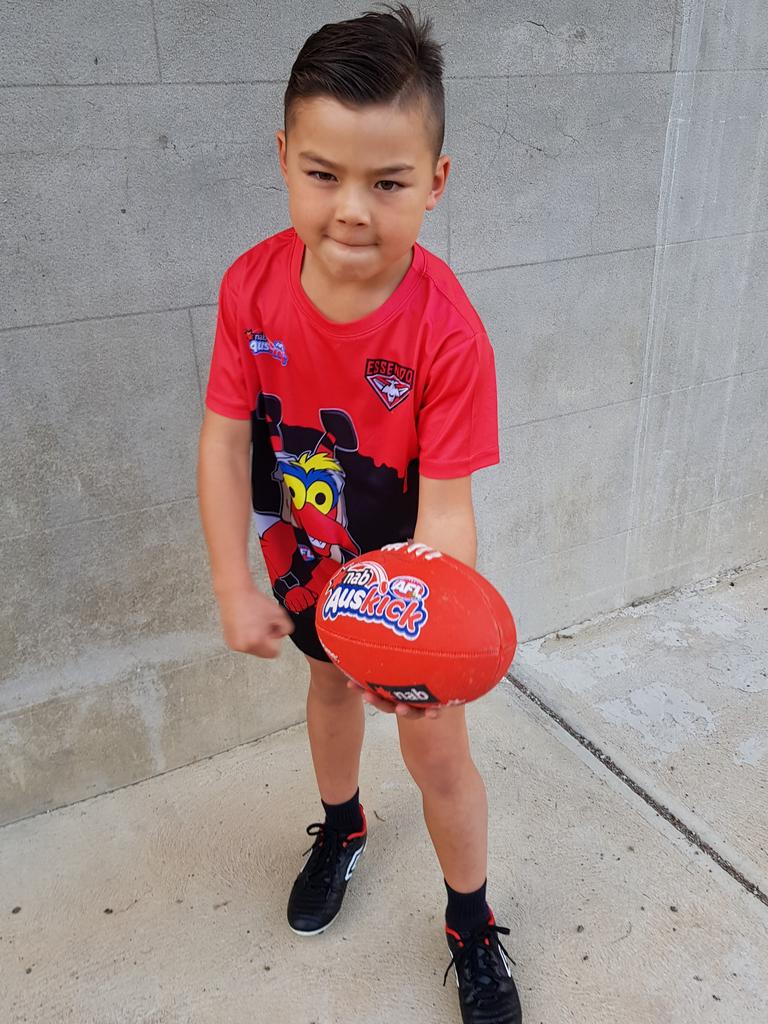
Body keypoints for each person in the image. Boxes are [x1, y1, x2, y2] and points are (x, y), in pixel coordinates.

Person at [197, 5, 522, 1022]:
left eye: (387, 182)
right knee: (329, 696)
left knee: (437, 754)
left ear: (436, 180)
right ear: (284, 156)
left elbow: (449, 511)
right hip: (308, 563)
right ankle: (341, 824)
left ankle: (470, 920)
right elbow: (223, 440)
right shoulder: (249, 290)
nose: (351, 210)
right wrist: (231, 580)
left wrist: (415, 650)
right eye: (323, 173)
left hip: (407, 580)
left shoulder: (447, 334)